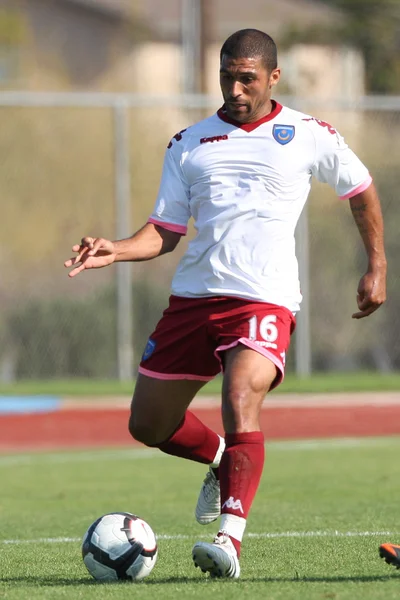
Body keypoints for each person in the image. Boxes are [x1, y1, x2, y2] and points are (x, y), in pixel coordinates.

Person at [64, 29, 387, 579]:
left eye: (247, 78)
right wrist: (116, 248)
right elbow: (165, 230)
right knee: (148, 423)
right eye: (226, 77)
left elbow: (359, 189)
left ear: (273, 77)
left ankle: (229, 540)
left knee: (241, 397)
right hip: (194, 301)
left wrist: (377, 265)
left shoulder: (307, 133)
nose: (235, 88)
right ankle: (220, 461)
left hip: (264, 299)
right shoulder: (188, 143)